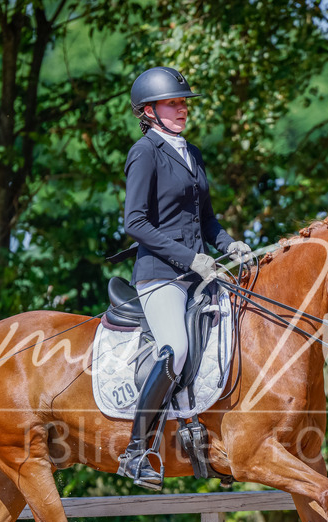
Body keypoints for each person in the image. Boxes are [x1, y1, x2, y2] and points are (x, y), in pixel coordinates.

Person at [118, 66, 252, 490]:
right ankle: (136, 452)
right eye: (173, 102)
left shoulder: (190, 151)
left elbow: (207, 219)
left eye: (183, 102)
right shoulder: (145, 152)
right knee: (174, 350)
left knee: (238, 335)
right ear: (149, 111)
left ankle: (214, 441)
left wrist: (230, 244)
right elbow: (135, 222)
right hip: (160, 275)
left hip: (200, 272)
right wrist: (191, 259)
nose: (181, 108)